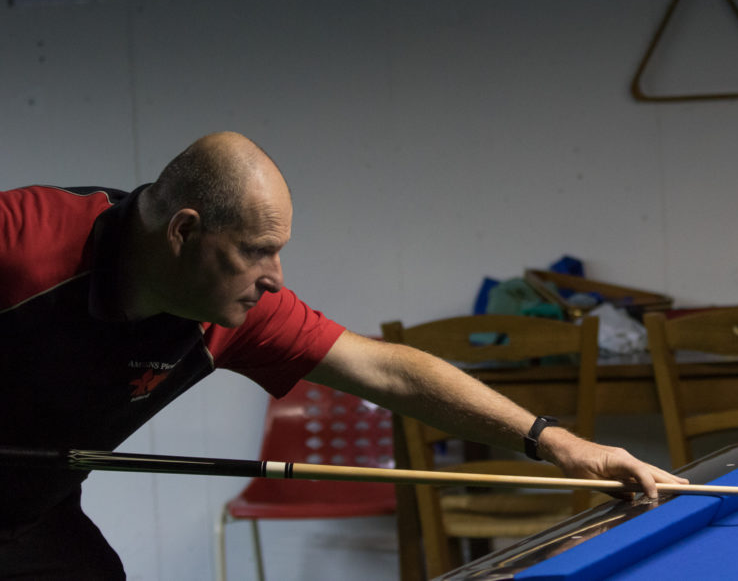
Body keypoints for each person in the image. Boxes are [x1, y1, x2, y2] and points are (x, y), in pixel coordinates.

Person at [0, 132, 683, 579]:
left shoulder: (233, 313)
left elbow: (390, 371)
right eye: (257, 252)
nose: (275, 279)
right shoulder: (21, 244)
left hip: (29, 515)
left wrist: (558, 443)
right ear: (184, 232)